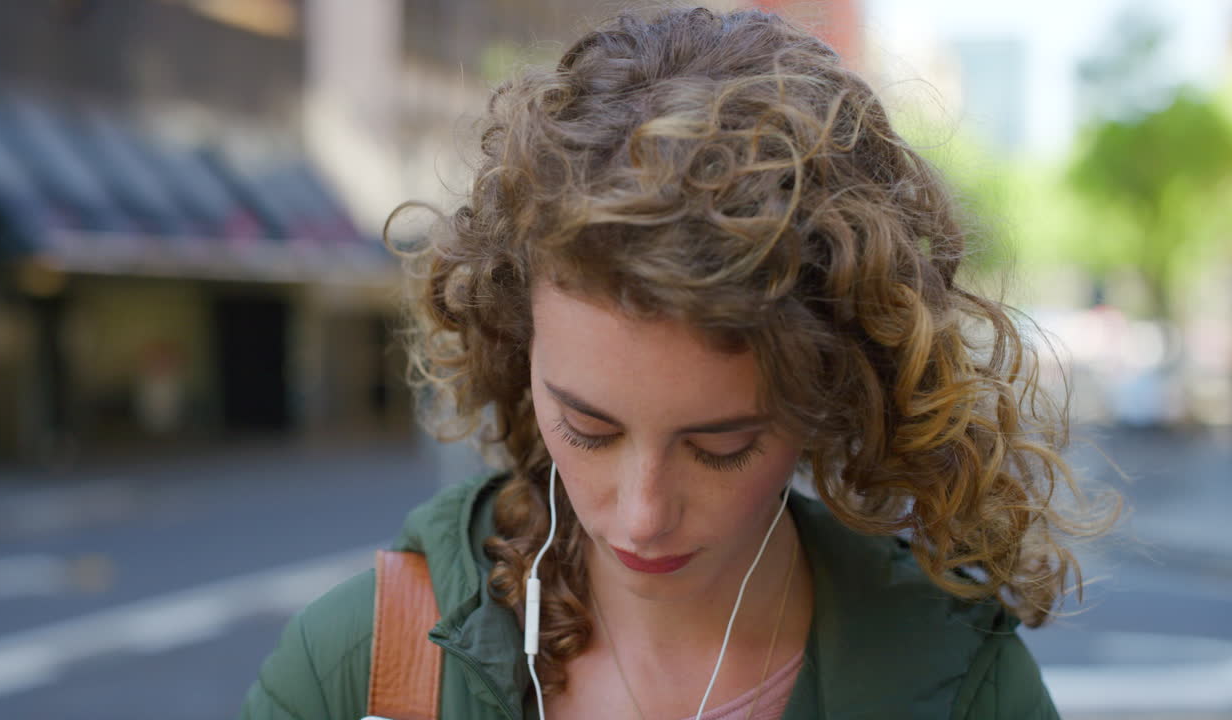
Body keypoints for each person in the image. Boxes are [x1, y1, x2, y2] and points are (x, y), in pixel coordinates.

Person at [239, 7, 1114, 719]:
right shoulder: (355, 669)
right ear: (517, 348)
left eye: (721, 446)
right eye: (587, 428)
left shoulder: (959, 688)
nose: (643, 516)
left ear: (836, 392)